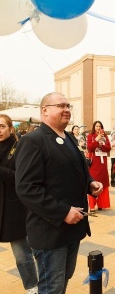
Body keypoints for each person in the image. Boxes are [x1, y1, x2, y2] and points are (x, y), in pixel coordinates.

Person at [15, 92, 103, 294]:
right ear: (44, 111)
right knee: (51, 288)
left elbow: (75, 169)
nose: (67, 110)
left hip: (73, 229)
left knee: (62, 282)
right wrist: (63, 212)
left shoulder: (69, 137)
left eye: (68, 105)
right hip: (50, 232)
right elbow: (27, 188)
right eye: (61, 105)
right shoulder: (33, 141)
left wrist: (90, 183)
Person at [0, 114, 38, 294]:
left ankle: (32, 286)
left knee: (22, 254)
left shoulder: (19, 147)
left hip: (13, 209)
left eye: (1, 126)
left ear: (10, 129)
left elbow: (20, 178)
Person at [87, 121, 111, 212]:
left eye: (100, 126)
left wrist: (102, 146)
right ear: (94, 127)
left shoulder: (105, 136)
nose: (98, 128)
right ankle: (92, 205)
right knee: (94, 182)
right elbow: (90, 147)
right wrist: (96, 140)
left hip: (103, 163)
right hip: (94, 163)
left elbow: (108, 148)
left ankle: (101, 204)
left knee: (103, 182)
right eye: (96, 126)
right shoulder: (90, 136)